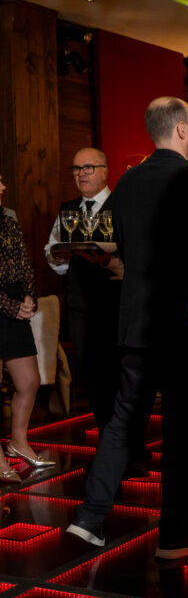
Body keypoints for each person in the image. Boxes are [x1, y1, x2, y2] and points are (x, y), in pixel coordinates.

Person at [67, 98, 188, 560]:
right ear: (180, 130)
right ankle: (174, 535)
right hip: (181, 323)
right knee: (180, 431)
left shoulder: (128, 182)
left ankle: (89, 516)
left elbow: (114, 248)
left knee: (122, 421)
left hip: (134, 322)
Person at [45, 148, 123, 432]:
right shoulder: (68, 210)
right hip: (80, 305)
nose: (82, 174)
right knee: (90, 372)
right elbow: (52, 250)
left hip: (116, 303)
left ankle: (124, 440)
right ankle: (105, 436)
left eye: (88, 168)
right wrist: (58, 257)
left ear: (105, 171)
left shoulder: (121, 206)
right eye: (77, 169)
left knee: (117, 372)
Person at [0, 175, 55, 480]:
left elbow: (24, 264)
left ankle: (17, 443)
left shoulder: (8, 219)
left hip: (13, 305)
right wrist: (10, 306)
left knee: (29, 381)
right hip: (3, 305)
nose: (3, 187)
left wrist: (29, 297)